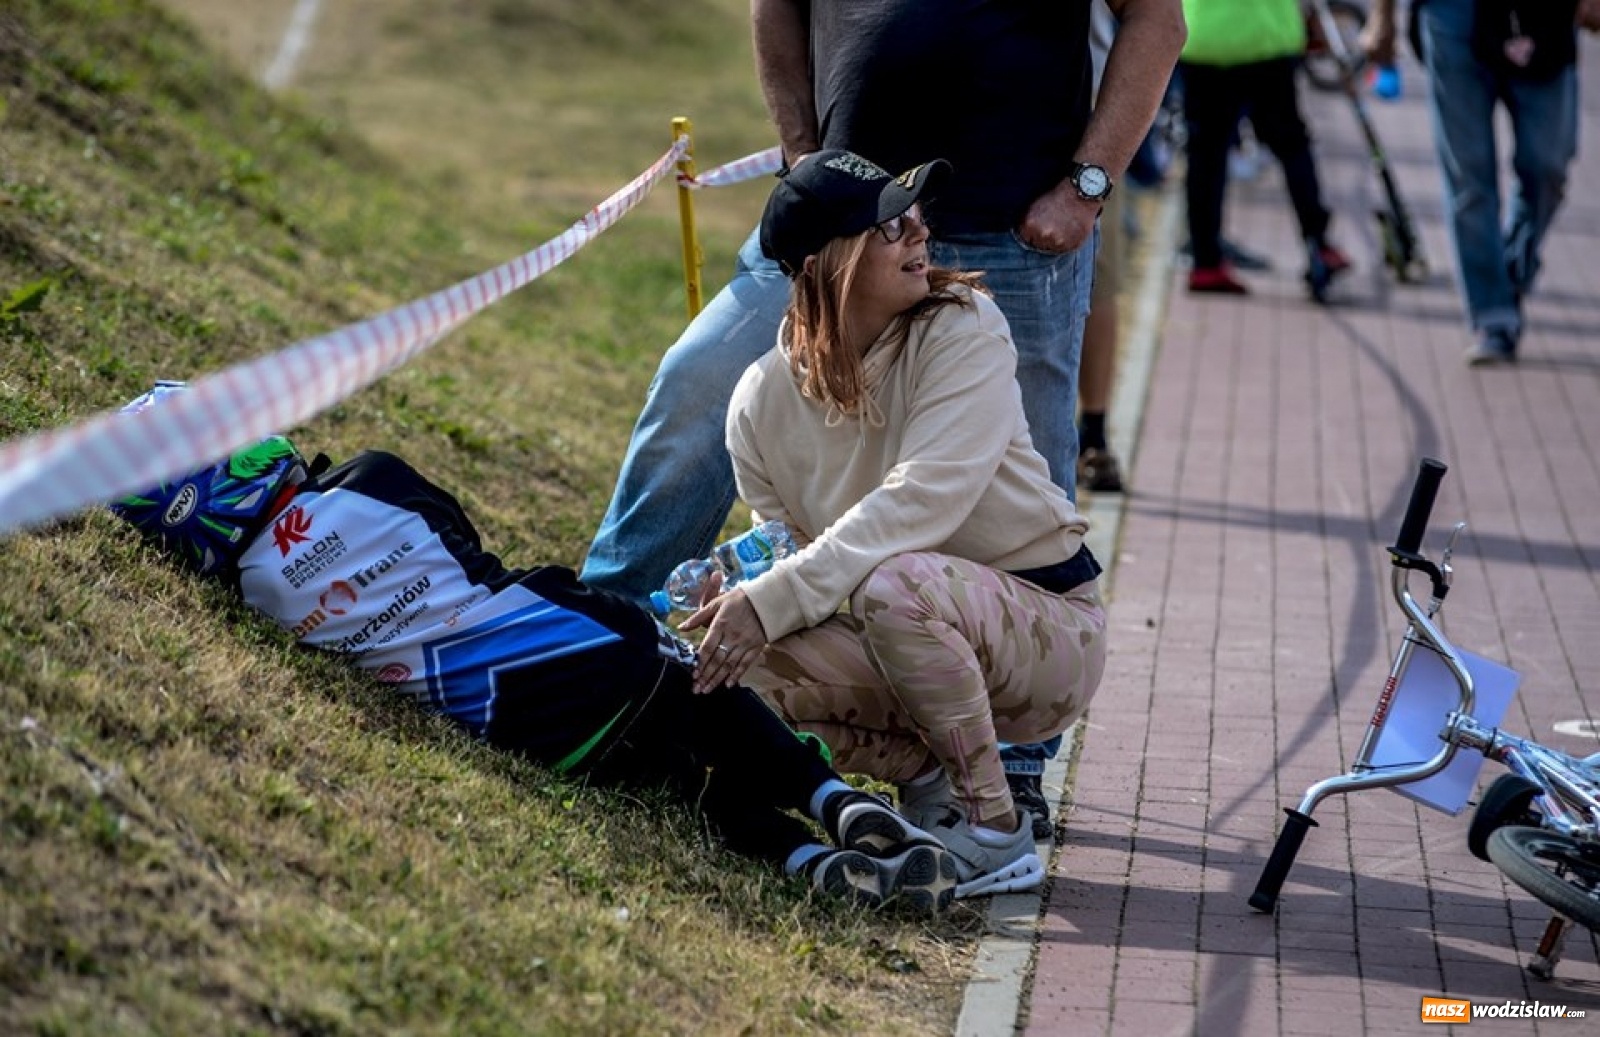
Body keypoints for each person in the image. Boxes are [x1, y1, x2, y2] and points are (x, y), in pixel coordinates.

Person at [581, 0, 1186, 837]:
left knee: (1000, 491)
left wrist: (1087, 183)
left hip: (1015, 225)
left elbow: (1158, 19)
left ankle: (1006, 788)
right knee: (702, 384)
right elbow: (776, 7)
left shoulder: (968, 320)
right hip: (834, 217)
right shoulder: (762, 390)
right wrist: (802, 154)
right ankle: (602, 640)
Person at [107, 382, 960, 913]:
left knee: (677, 784)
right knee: (705, 694)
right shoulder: (369, 478)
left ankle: (803, 860)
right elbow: (462, 537)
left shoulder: (255, 594)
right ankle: (833, 801)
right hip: (578, 642)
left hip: (518, 728)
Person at [679, 153, 1110, 900]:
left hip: (1048, 637)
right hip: (897, 639)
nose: (920, 232)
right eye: (889, 223)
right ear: (825, 264)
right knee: (729, 683)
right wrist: (745, 603)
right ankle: (929, 782)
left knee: (895, 582)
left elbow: (923, 499)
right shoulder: (757, 400)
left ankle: (994, 831)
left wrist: (776, 597)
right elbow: (790, 553)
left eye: (915, 214)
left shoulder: (965, 326)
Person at [1363, 0, 1598, 365]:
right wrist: (1383, 15)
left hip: (1545, 15)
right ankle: (1492, 315)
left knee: (1548, 165)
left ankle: (1510, 274)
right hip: (1451, 13)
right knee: (1468, 177)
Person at [1179, 0, 1351, 296]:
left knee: (1205, 155)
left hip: (1203, 38)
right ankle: (1318, 243)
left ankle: (1205, 261)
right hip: (1266, 37)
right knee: (1292, 146)